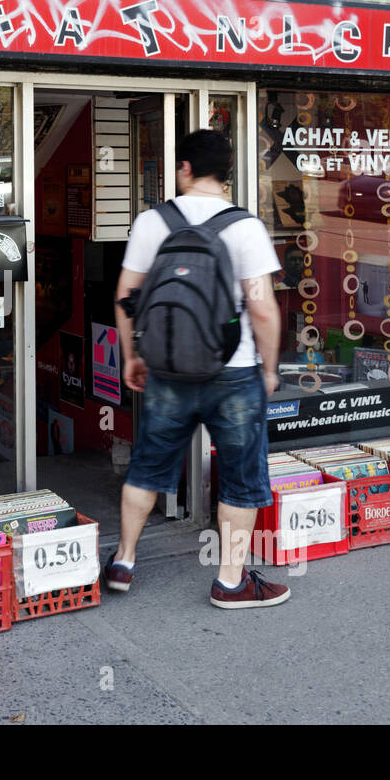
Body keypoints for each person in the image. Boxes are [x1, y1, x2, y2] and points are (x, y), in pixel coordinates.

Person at [106, 129, 290, 609]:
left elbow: (126, 299)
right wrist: (268, 368)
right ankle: (230, 581)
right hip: (233, 372)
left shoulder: (152, 221)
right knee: (241, 477)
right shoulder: (245, 226)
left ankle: (124, 560)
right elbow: (263, 309)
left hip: (167, 370)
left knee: (148, 465)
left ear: (184, 169)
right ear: (226, 173)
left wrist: (133, 356)